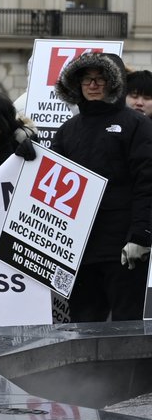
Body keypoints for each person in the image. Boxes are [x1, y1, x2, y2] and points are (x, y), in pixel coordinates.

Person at [49, 53, 152, 322]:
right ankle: (86, 368)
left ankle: (129, 368)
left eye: (101, 79)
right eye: (87, 79)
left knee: (125, 327)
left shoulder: (137, 124)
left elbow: (147, 182)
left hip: (123, 247)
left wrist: (141, 235)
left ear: (114, 84)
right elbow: (49, 179)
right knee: (83, 326)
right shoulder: (67, 130)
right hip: (80, 247)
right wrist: (23, 150)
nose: (93, 85)